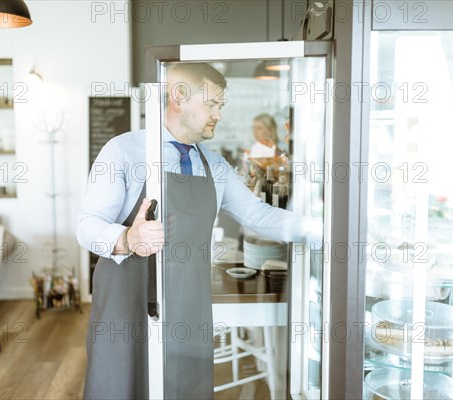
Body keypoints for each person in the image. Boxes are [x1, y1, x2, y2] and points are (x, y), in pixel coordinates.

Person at [76, 62, 319, 400]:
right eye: (212, 104)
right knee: (120, 386)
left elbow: (256, 214)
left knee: (185, 388)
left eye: (221, 105)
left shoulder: (215, 164)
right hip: (125, 304)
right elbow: (87, 225)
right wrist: (128, 238)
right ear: (179, 97)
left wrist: (321, 228)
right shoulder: (122, 151)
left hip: (188, 306)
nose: (218, 114)